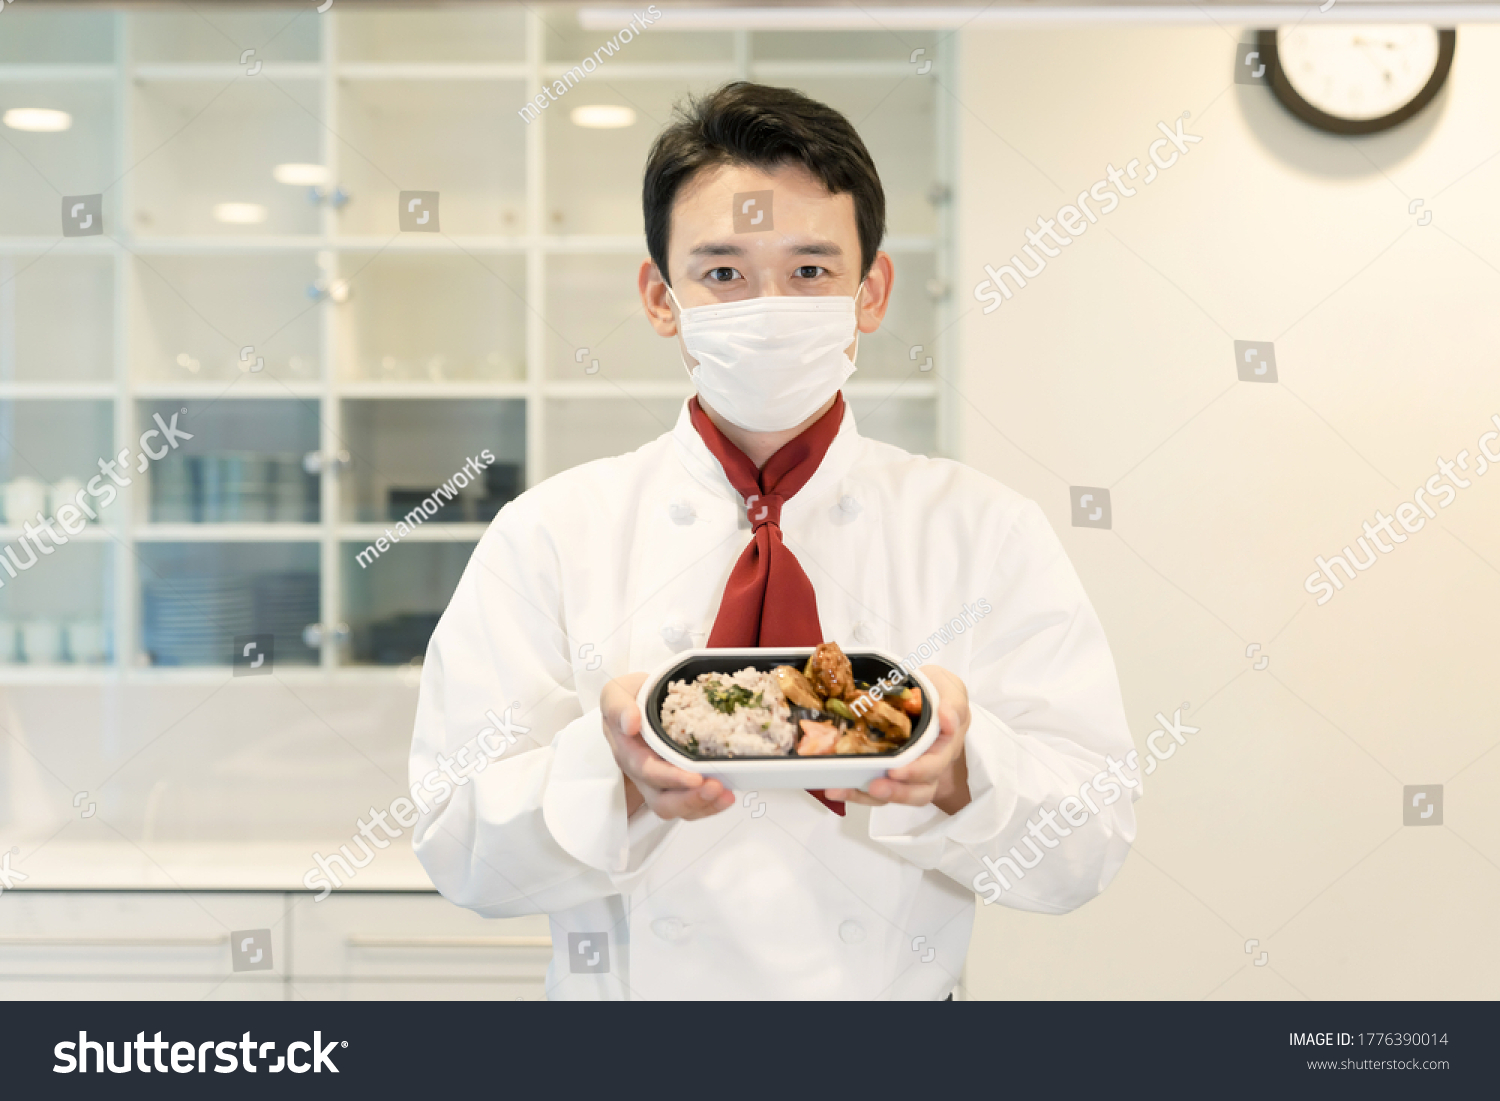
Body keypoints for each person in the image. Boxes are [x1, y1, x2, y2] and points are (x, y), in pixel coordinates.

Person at [409, 82, 1137, 1000]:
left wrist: (963, 768)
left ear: (871, 292)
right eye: (722, 273)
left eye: (809, 271)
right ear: (660, 296)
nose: (768, 303)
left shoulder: (985, 530)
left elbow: (1089, 846)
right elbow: (457, 849)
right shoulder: (550, 532)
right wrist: (619, 773)